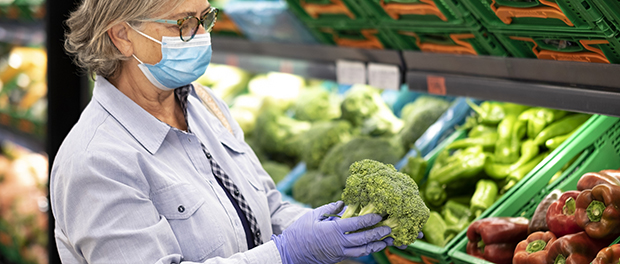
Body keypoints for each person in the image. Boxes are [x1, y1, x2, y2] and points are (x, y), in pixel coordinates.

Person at [51, 0, 409, 263]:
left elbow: (268, 207)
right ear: (122, 37)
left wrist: (340, 225)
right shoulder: (95, 161)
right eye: (182, 23)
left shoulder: (204, 105)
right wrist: (286, 254)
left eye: (205, 18)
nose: (202, 35)